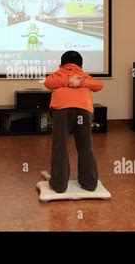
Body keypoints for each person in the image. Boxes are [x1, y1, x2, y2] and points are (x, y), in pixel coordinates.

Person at [44, 50, 104, 193]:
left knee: (60, 145)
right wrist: (80, 82)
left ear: (61, 64)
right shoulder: (83, 75)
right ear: (81, 65)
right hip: (83, 111)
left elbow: (48, 83)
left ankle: (59, 184)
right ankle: (89, 183)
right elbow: (99, 85)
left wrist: (66, 81)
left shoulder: (58, 73)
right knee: (85, 145)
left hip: (62, 111)